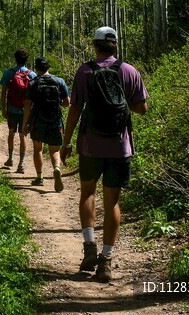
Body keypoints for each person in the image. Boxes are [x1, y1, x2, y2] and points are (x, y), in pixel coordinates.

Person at [62, 26, 148, 283]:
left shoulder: (85, 71)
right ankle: (106, 261)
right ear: (116, 46)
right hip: (120, 147)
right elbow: (142, 108)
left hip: (90, 145)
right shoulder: (129, 70)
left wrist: (66, 143)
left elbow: (75, 109)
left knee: (87, 192)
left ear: (95, 46)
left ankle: (89, 246)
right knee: (112, 202)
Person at [21, 56, 70, 191]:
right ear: (49, 67)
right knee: (54, 150)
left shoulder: (33, 83)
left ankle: (39, 177)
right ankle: (57, 168)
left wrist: (25, 123)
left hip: (38, 121)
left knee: (38, 149)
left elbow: (28, 104)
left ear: (36, 68)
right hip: (55, 121)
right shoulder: (59, 81)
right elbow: (67, 103)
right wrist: (58, 103)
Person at [0, 48, 35, 173]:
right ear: (26, 60)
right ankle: (21, 164)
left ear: (15, 59)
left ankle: (10, 159)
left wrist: (4, 109)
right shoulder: (32, 75)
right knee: (23, 136)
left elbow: (4, 92)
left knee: (11, 133)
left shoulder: (8, 73)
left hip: (12, 109)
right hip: (26, 111)